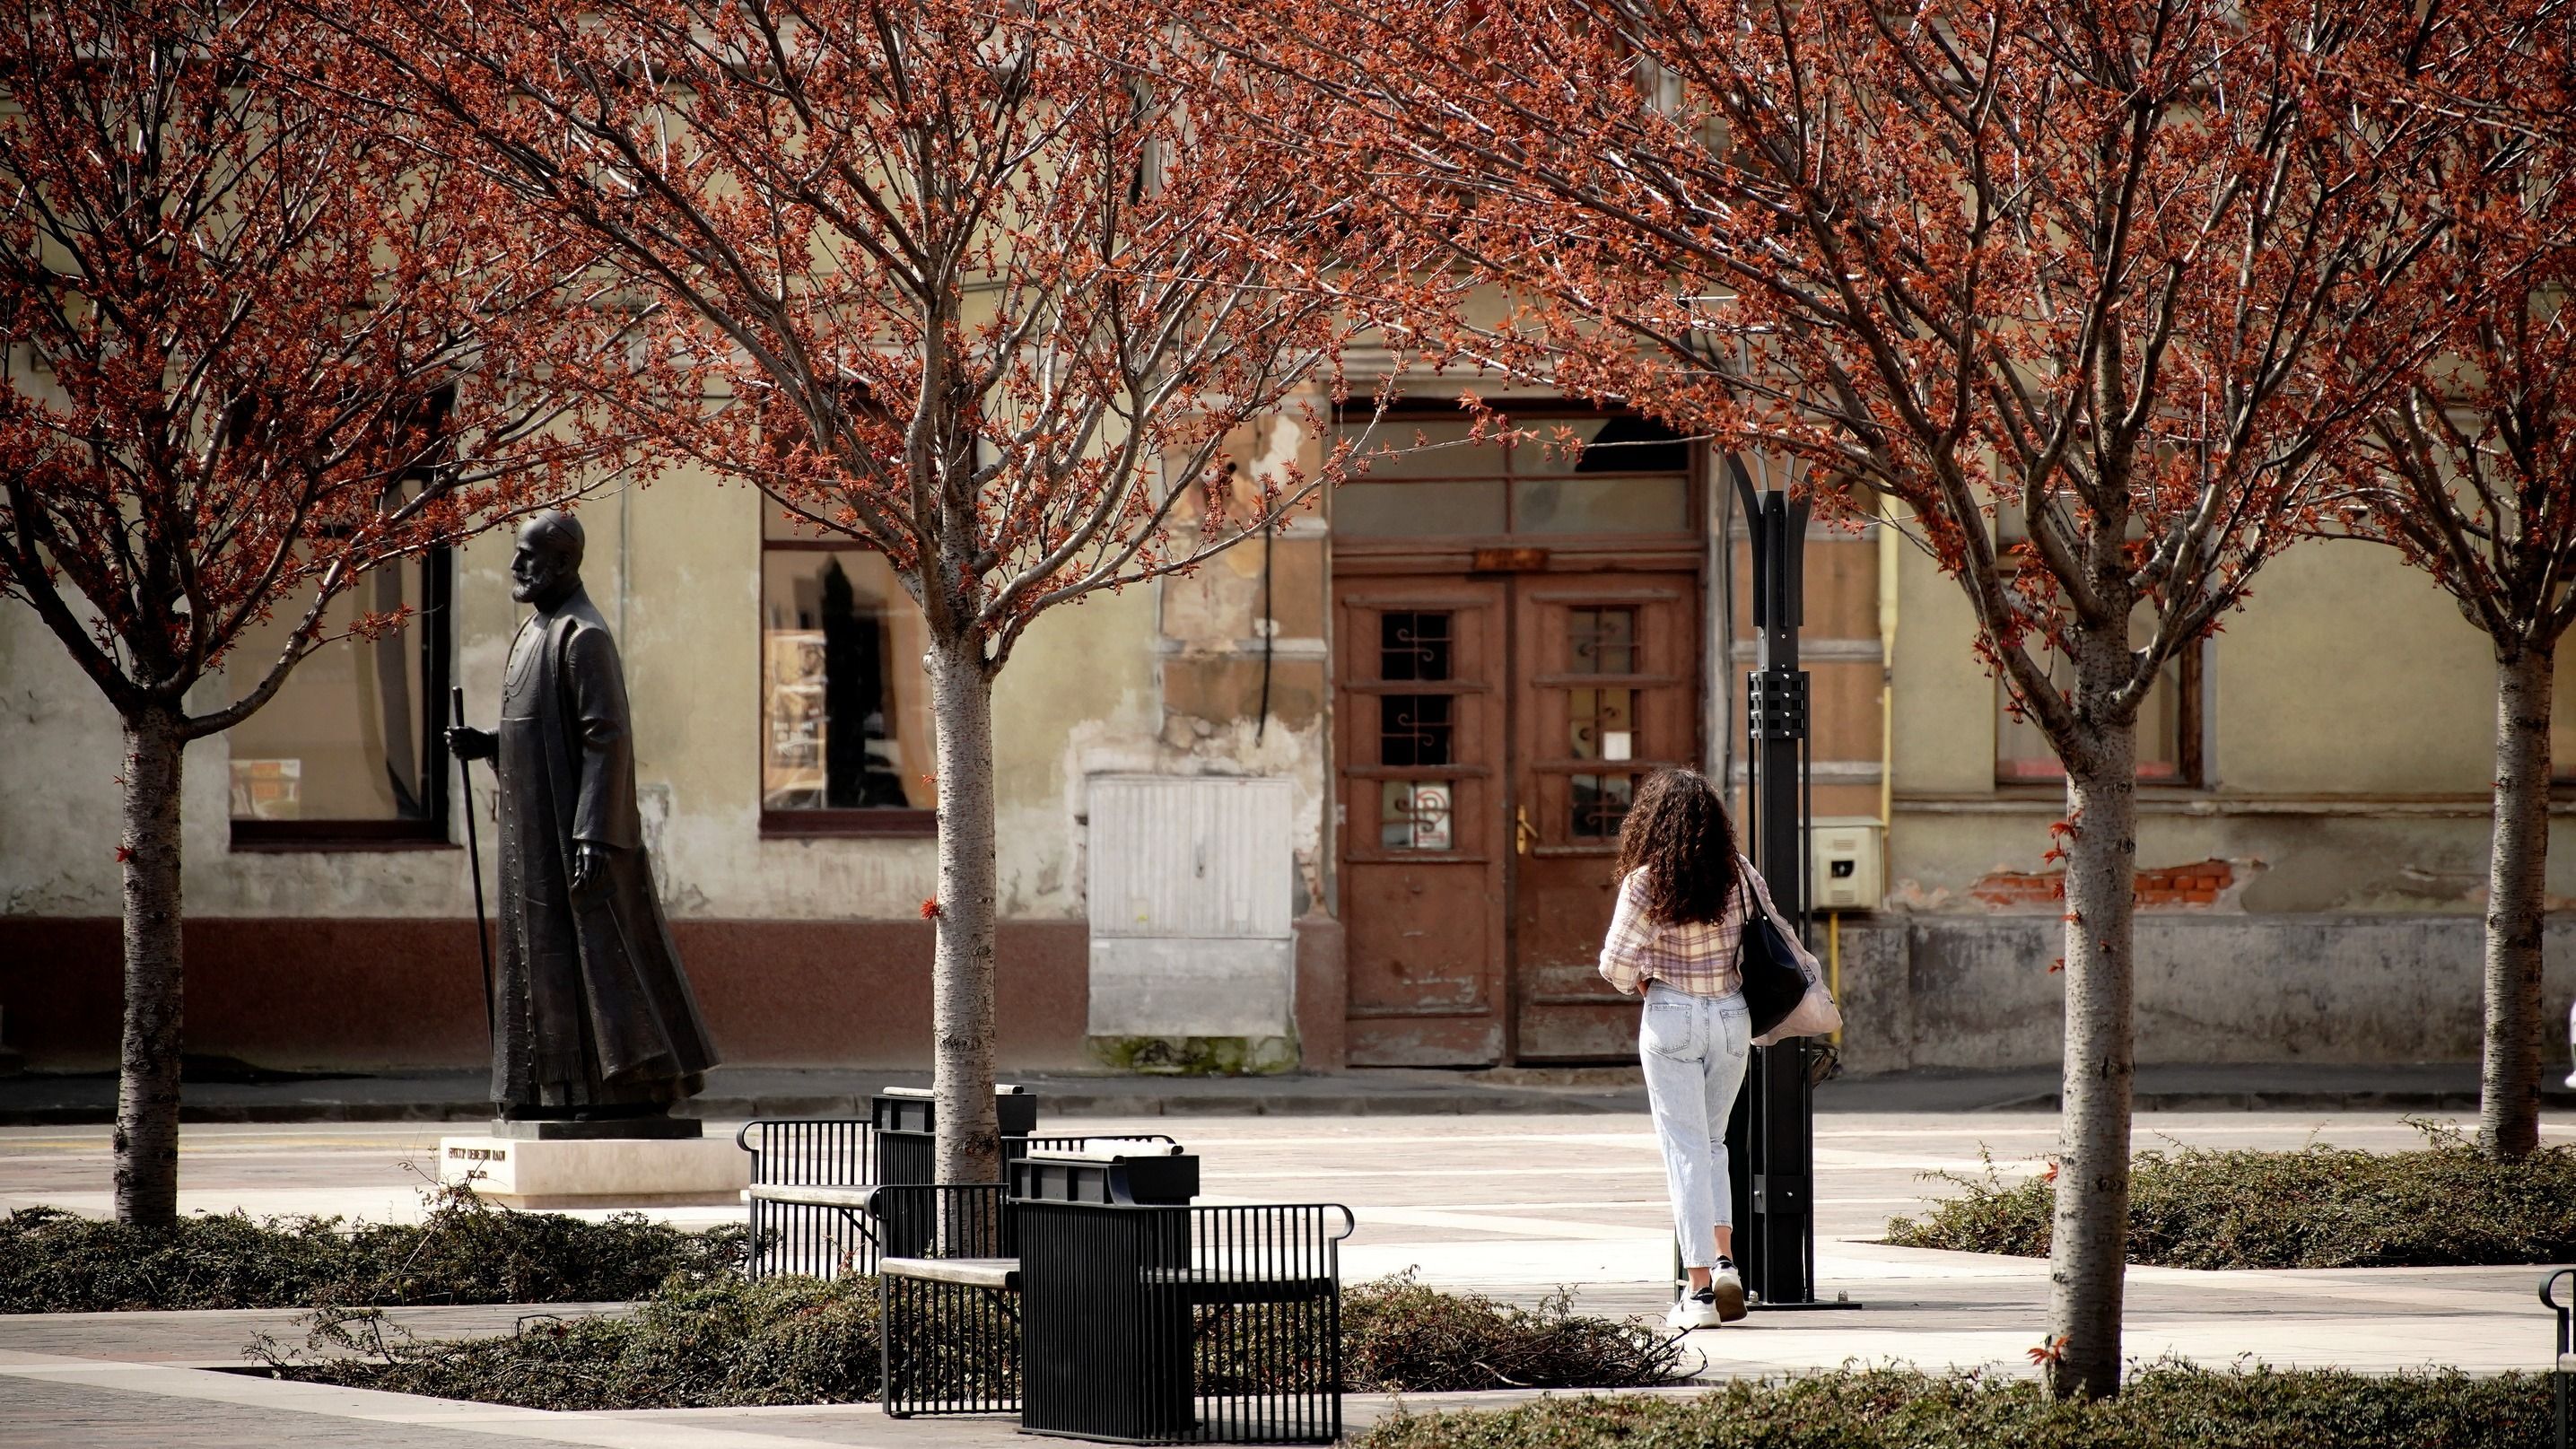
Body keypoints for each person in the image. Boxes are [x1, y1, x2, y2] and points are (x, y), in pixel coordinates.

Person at [447, 511, 720, 1122]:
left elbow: (607, 738)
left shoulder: (582, 636)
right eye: (517, 555)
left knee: (599, 961)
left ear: (565, 563)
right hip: (534, 833)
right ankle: (543, 1089)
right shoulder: (534, 632)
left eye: (528, 557)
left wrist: (593, 832)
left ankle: (623, 1089)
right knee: (537, 960)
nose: (515, 568)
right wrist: (487, 743)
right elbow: (543, 730)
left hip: (575, 837)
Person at [1597, 767, 1820, 1330]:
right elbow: (1772, 939)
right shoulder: (1740, 875)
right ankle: (1725, 1261)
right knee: (1715, 1144)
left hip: (1672, 1016)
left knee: (1685, 1151)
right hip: (1730, 1019)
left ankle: (1697, 1293)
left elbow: (1615, 966)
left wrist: (1644, 980)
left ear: (1652, 821)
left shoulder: (1647, 882)